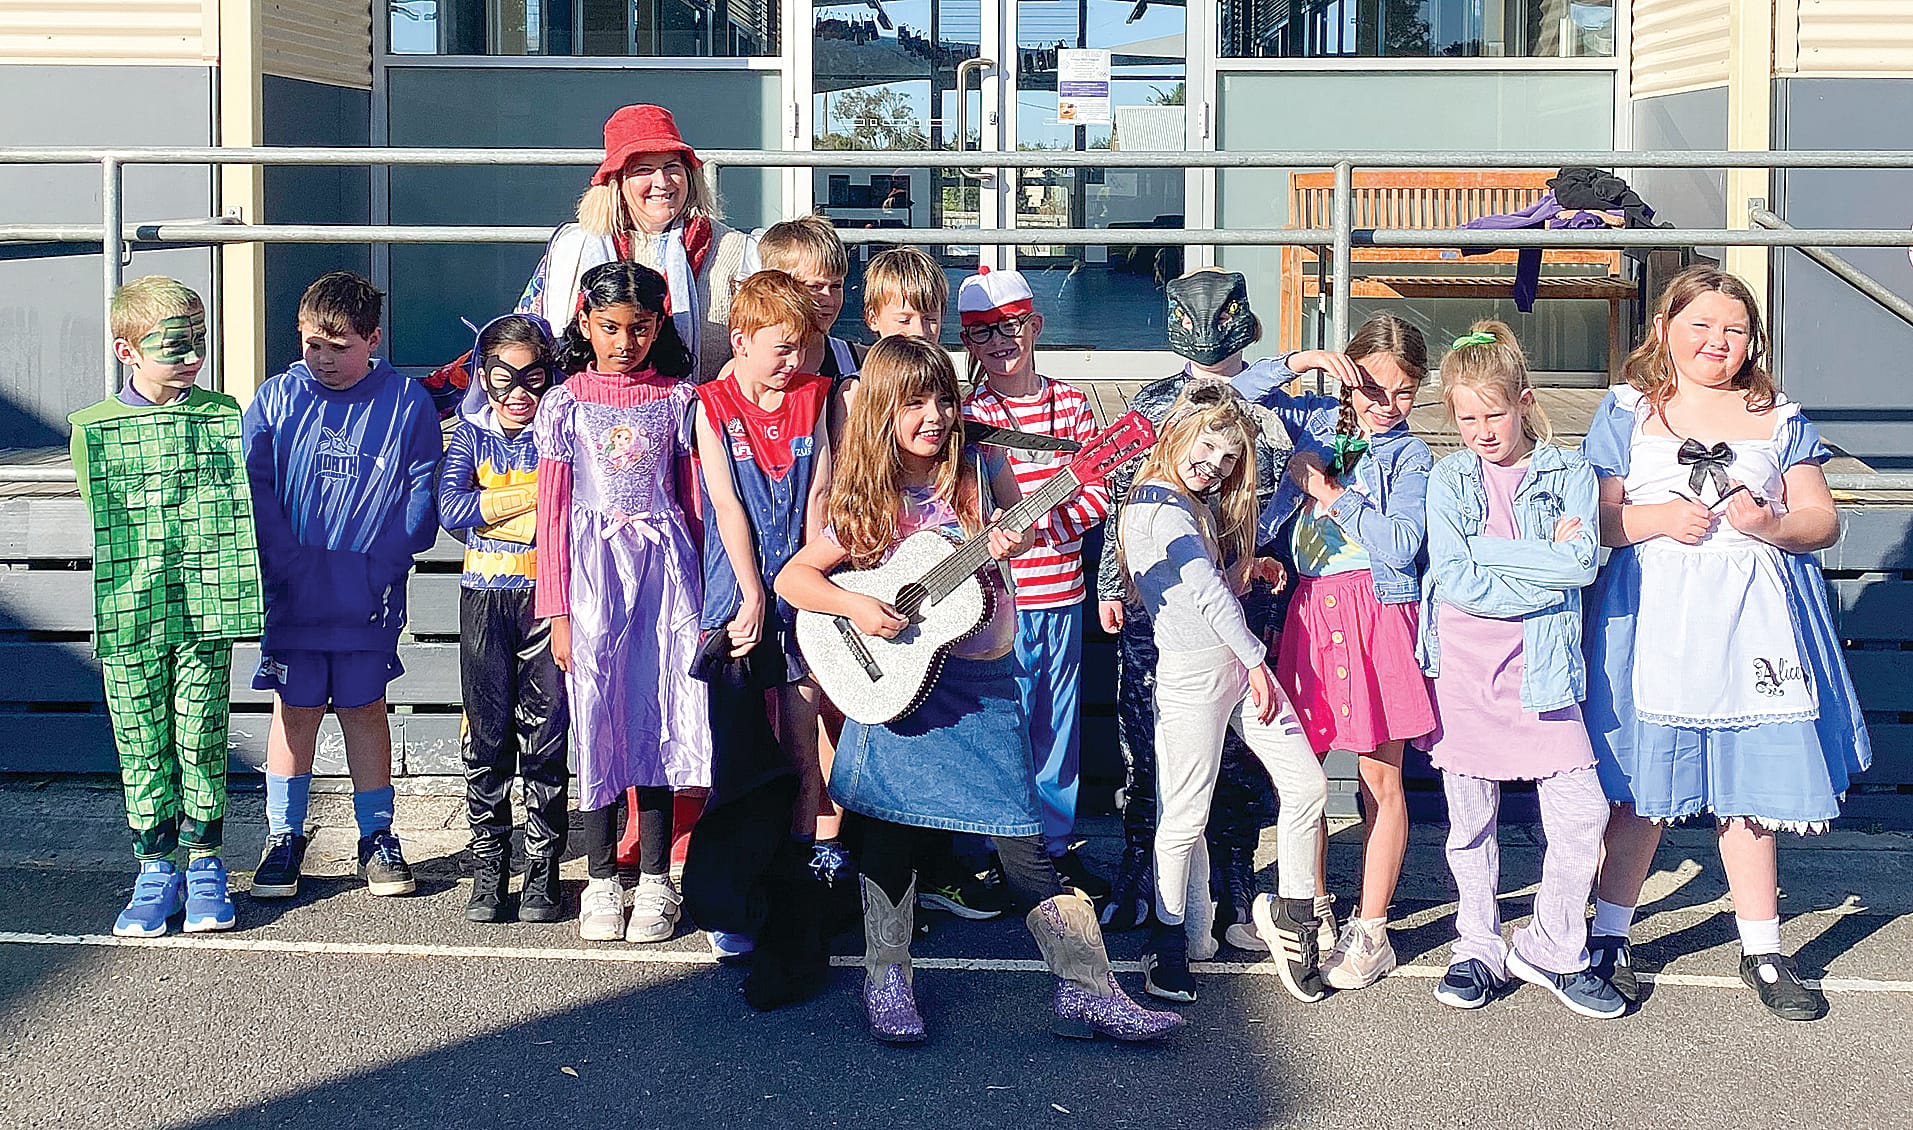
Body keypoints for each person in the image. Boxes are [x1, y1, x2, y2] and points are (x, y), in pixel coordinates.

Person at [774, 335, 1182, 1044]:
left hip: (981, 678)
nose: (934, 415)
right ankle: (887, 981)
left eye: (942, 398)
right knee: (890, 838)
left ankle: (1088, 990)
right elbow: (794, 579)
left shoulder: (977, 461)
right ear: (878, 413)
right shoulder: (867, 497)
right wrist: (858, 608)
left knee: (1023, 841)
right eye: (914, 403)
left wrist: (1008, 538)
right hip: (897, 689)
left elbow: (1010, 526)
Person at [1578, 266, 1871, 1021]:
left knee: (1750, 796)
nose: (1717, 341)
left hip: (1755, 622)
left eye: (1733, 329)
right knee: (1644, 790)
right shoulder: (1625, 411)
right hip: (1653, 621)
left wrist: (1769, 525)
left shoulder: (1777, 416)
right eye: (1701, 324)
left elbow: (1821, 518)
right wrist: (1656, 522)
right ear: (1665, 328)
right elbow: (1596, 523)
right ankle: (1610, 936)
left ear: (1752, 341)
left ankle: (1763, 948)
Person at [1417, 323, 1622, 1019]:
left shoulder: (1568, 474)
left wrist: (1488, 549)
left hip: (1540, 667)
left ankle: (1550, 946)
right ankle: (1475, 945)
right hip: (1466, 669)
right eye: (1466, 417)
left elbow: (1580, 565)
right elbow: (1455, 581)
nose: (1480, 430)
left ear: (1525, 402)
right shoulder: (1446, 478)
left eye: (1493, 414)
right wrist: (1538, 562)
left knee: (1581, 811)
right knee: (1469, 820)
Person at [1234, 313, 1436, 991]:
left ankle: (1370, 928)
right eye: (1372, 389)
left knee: (1381, 778)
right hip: (1310, 612)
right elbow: (1239, 399)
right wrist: (1303, 360)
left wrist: (1328, 493)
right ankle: (1313, 906)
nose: (1386, 405)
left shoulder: (1411, 457)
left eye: (1404, 392)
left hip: (1377, 613)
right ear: (1349, 380)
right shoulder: (1318, 419)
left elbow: (1401, 543)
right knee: (1305, 773)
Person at [1098, 269, 1296, 956]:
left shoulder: (1274, 411)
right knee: (1149, 744)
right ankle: (1145, 879)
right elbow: (1118, 498)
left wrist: (1260, 565)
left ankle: (1237, 880)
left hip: (1243, 597)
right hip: (1157, 600)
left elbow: (1282, 502)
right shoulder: (1153, 403)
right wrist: (1108, 583)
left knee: (1241, 753)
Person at [1115, 380, 1330, 1005]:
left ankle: (1289, 915)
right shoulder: (1154, 508)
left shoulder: (1191, 505)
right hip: (1196, 673)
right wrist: (1258, 662)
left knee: (1307, 784)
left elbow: (1210, 583)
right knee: (1183, 815)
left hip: (1231, 666)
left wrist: (1247, 570)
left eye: (1230, 457)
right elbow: (1203, 596)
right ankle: (1169, 943)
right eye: (1208, 447)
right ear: (1178, 434)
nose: (1216, 465)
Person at [69, 277, 264, 936]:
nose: (190, 357)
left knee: (200, 734)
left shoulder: (220, 416)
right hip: (133, 611)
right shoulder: (92, 431)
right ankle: (155, 867)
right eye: (173, 346)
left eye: (198, 343)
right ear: (127, 351)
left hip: (206, 608)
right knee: (142, 742)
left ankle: (206, 861)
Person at [243, 271, 442, 901]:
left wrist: (387, 559)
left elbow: (421, 485)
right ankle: (283, 835)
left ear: (373, 339)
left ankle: (376, 835)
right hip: (294, 587)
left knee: (364, 709)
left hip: (368, 590)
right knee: (294, 711)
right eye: (311, 346)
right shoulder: (276, 398)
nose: (323, 359)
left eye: (339, 345)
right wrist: (281, 558)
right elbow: (256, 486)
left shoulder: (405, 401)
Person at [536, 260, 712, 943]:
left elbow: (695, 503)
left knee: (659, 712)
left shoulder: (677, 399)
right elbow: (550, 515)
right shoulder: (565, 403)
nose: (623, 341)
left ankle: (658, 882)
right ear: (585, 323)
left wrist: (709, 596)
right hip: (592, 579)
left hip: (667, 579)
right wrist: (556, 610)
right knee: (601, 714)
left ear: (658, 326)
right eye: (609, 327)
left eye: (639, 328)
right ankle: (603, 877)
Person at [680, 270, 834, 1004]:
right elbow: (725, 506)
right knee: (739, 754)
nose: (791, 360)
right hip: (734, 593)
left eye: (801, 347)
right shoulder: (710, 406)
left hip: (803, 589)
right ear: (738, 341)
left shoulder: (816, 397)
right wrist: (749, 591)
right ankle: (735, 901)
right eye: (778, 348)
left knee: (803, 751)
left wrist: (814, 593)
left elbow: (818, 502)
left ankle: (796, 892)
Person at [957, 267, 1110, 896]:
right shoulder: (966, 412)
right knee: (994, 725)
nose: (1000, 342)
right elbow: (956, 502)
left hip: (1060, 593)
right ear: (968, 343)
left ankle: (1050, 843)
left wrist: (1041, 527)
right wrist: (990, 529)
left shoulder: (1070, 403)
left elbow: (1099, 493)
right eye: (983, 333)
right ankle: (989, 849)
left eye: (1012, 326)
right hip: (990, 603)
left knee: (1055, 724)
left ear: (1035, 326)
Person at [436, 314, 569, 924]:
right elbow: (454, 509)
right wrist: (532, 500)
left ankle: (543, 870)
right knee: (486, 734)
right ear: (482, 377)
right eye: (502, 379)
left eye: (532, 381)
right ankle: (490, 869)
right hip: (485, 595)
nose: (517, 395)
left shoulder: (561, 434)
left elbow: (570, 510)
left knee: (547, 734)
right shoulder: (469, 434)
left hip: (548, 595)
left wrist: (498, 512)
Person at [517, 104, 758, 382]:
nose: (662, 182)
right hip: (589, 415)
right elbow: (528, 335)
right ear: (617, 182)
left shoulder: (735, 250)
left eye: (672, 167)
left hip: (707, 418)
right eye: (644, 170)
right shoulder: (574, 249)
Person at [827, 245, 948, 440]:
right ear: (872, 318)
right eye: (904, 320)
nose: (919, 332)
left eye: (930, 319)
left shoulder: (946, 389)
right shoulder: (856, 393)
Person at [757, 214, 863, 382]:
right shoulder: (748, 368)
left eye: (836, 286)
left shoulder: (858, 362)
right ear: (777, 286)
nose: (828, 299)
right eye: (814, 287)